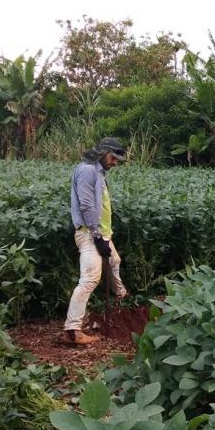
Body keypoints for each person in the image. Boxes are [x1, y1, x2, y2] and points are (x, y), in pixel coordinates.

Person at [62, 137, 130, 345]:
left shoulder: (98, 171)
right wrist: (98, 237)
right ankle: (72, 329)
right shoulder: (87, 170)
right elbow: (87, 206)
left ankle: (121, 296)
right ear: (103, 152)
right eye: (113, 158)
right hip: (90, 233)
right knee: (90, 279)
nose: (115, 163)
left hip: (101, 233)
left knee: (114, 261)